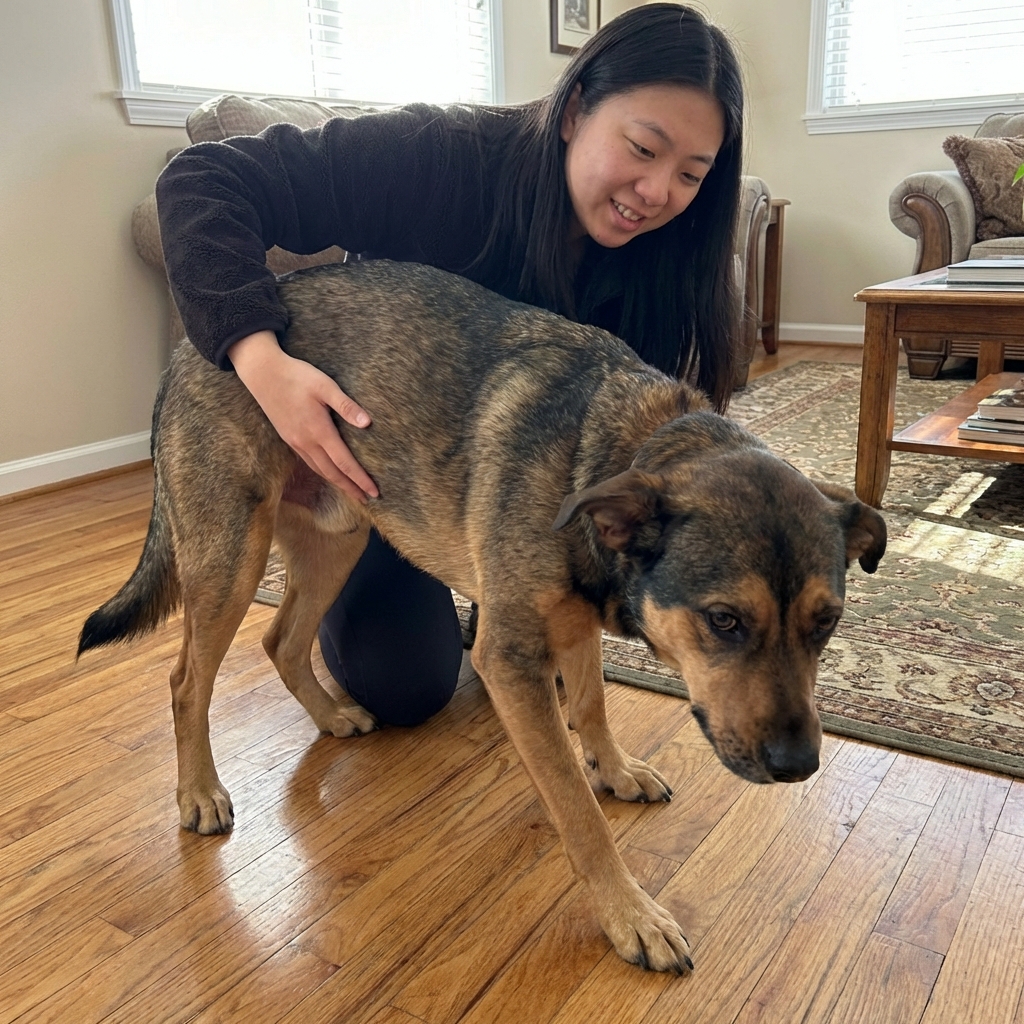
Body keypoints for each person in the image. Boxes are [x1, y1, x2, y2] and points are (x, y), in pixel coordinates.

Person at [154, 2, 745, 728]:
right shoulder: (440, 153)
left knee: (542, 654)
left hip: (524, 504)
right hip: (384, 468)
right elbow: (206, 179)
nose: (658, 194)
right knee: (406, 685)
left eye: (692, 174)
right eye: (643, 149)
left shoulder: (671, 261)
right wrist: (264, 364)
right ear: (575, 109)